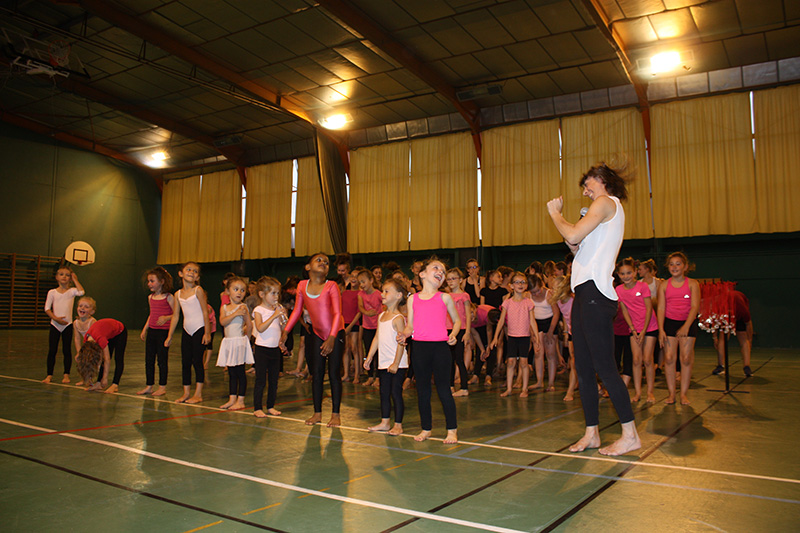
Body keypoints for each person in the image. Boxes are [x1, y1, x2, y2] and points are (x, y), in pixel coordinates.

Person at [547, 162, 641, 456]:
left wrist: (555, 214)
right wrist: (572, 229)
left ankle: (630, 434)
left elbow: (573, 235)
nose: (586, 192)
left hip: (596, 295)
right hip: (582, 292)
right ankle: (592, 433)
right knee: (584, 369)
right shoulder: (598, 213)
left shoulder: (606, 202)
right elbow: (576, 246)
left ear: (601, 180)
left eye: (587, 185)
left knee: (605, 368)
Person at [398, 257, 460, 444]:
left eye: (443, 270)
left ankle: (452, 430)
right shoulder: (413, 299)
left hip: (440, 348)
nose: (440, 272)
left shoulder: (445, 297)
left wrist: (454, 334)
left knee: (443, 390)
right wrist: (405, 334)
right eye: (436, 268)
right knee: (423, 390)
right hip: (419, 348)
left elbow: (457, 320)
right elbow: (411, 326)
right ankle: (426, 428)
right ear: (422, 274)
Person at [280, 253, 345, 427]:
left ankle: (336, 414)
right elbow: (297, 311)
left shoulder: (331, 286)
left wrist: (332, 337)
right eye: (319, 260)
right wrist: (286, 331)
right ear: (308, 267)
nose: (323, 263)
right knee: (316, 373)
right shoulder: (302, 286)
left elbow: (338, 313)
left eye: (326, 262)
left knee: (333, 374)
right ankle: (317, 413)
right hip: (316, 333)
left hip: (335, 332)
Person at [364, 279, 409, 436]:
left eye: (386, 291)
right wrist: (369, 357)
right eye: (382, 291)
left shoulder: (398, 318)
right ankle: (385, 422)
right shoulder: (382, 315)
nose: (382, 294)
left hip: (397, 364)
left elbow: (401, 343)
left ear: (398, 296)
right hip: (383, 363)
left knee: (395, 392)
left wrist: (396, 363)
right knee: (384, 392)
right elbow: (377, 338)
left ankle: (398, 424)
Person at [657, 252, 701, 405]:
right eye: (671, 264)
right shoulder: (664, 285)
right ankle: (671, 394)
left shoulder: (692, 284)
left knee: (686, 358)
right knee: (669, 358)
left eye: (678, 264)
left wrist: (686, 326)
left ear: (685, 267)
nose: (674, 267)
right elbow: (661, 308)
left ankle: (683, 394)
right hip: (669, 323)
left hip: (687, 323)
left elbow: (695, 306)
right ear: (667, 267)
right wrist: (661, 329)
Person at [165, 262, 211, 404]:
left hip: (199, 330)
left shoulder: (198, 290)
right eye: (189, 269)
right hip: (187, 331)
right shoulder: (177, 294)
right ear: (181, 273)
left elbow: (205, 311)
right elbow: (176, 316)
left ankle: (198, 394)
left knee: (197, 361)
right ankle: (186, 393)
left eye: (195, 271)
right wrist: (170, 335)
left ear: (197, 277)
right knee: (185, 362)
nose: (192, 272)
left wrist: (207, 332)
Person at [489, 272, 539, 397]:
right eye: (517, 282)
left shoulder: (528, 302)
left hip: (524, 336)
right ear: (511, 286)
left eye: (523, 282)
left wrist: (536, 338)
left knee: (523, 362)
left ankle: (524, 388)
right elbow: (501, 321)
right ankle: (509, 388)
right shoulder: (507, 303)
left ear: (526, 285)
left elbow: (532, 321)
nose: (520, 285)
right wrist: (495, 337)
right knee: (510, 362)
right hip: (512, 336)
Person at [616, 258, 658, 402]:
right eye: (622, 274)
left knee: (647, 359)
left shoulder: (642, 286)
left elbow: (648, 309)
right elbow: (625, 311)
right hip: (634, 328)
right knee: (636, 360)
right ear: (618, 275)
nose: (626, 276)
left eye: (629, 273)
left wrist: (644, 330)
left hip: (649, 326)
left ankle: (650, 392)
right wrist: (633, 329)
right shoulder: (619, 290)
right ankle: (638, 392)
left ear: (634, 272)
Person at [216, 277, 254, 410]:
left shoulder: (243, 307)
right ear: (228, 291)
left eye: (243, 290)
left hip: (239, 342)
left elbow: (249, 325)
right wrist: (235, 313)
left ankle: (241, 400)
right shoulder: (224, 308)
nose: (239, 292)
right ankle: (232, 398)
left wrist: (246, 341)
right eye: (236, 289)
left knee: (240, 372)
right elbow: (223, 322)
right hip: (228, 343)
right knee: (231, 372)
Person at [252, 276, 287, 417]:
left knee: (274, 379)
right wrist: (274, 315)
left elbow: (284, 326)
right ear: (262, 294)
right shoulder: (258, 310)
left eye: (277, 293)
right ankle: (257, 408)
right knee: (261, 379)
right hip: (261, 349)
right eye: (273, 293)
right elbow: (260, 328)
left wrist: (283, 317)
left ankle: (271, 405)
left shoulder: (278, 309)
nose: (276, 296)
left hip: (274, 349)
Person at [43, 266, 85, 384]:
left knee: (66, 350)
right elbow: (47, 308)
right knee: (52, 350)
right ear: (56, 277)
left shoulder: (72, 291)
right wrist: (56, 319)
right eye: (61, 274)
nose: (64, 277)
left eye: (67, 275)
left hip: (67, 325)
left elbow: (81, 292)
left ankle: (66, 375)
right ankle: (49, 375)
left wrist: (75, 280)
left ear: (70, 278)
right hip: (55, 325)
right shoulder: (52, 292)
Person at [138, 267, 174, 396]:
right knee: (149, 359)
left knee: (162, 360)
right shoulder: (150, 297)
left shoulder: (169, 297)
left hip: (163, 332)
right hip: (152, 332)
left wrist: (166, 317)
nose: (149, 284)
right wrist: (145, 328)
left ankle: (162, 386)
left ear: (162, 281)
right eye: (148, 281)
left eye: (152, 281)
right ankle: (149, 385)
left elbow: (176, 314)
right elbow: (151, 314)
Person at [76, 317, 127, 393]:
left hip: (119, 331)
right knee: (102, 359)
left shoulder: (101, 339)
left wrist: (105, 378)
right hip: (108, 332)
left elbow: (107, 359)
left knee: (118, 358)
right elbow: (84, 360)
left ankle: (115, 384)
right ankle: (98, 383)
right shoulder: (86, 340)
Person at [529, 273, 561, 392]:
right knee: (538, 353)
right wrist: (533, 332)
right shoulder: (528, 295)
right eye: (533, 292)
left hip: (550, 322)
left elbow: (556, 313)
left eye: (537, 290)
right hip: (536, 323)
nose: (536, 294)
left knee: (551, 354)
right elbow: (529, 314)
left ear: (541, 285)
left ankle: (551, 383)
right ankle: (539, 381)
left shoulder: (549, 294)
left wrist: (551, 331)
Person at [713, 289, 753, 377]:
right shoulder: (720, 308)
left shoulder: (742, 310)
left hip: (739, 313)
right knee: (723, 337)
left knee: (743, 338)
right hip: (725, 315)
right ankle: (720, 365)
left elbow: (748, 324)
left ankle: (747, 367)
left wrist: (750, 339)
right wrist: (715, 337)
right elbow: (715, 323)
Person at [445, 268, 472, 397]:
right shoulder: (446, 296)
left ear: (460, 280)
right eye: (448, 279)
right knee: (449, 359)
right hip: (447, 329)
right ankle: (450, 385)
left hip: (460, 329)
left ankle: (464, 387)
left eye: (453, 279)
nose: (450, 281)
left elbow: (467, 315)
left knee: (459, 359)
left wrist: (467, 332)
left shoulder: (464, 296)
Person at [550, 277, 577, 401]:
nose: (553, 290)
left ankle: (571, 390)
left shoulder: (573, 299)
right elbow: (566, 318)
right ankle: (573, 387)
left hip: (581, 332)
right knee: (573, 361)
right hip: (572, 332)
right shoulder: (559, 301)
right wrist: (566, 333)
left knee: (577, 362)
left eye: (556, 287)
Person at [357, 269, 382, 387]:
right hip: (367, 327)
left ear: (371, 280)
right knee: (368, 351)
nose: (362, 285)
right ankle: (370, 376)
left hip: (378, 327)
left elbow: (385, 306)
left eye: (363, 282)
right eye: (360, 282)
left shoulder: (378, 294)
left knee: (379, 353)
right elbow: (360, 307)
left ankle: (378, 377)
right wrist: (366, 313)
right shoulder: (360, 294)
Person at [72, 296, 97, 387]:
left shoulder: (92, 321)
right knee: (81, 361)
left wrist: (86, 351)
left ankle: (91, 379)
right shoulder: (76, 323)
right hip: (86, 343)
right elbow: (77, 338)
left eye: (86, 307)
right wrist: (79, 352)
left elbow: (93, 338)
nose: (82, 308)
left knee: (90, 361)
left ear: (92, 312)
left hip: (95, 343)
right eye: (80, 306)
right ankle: (84, 379)